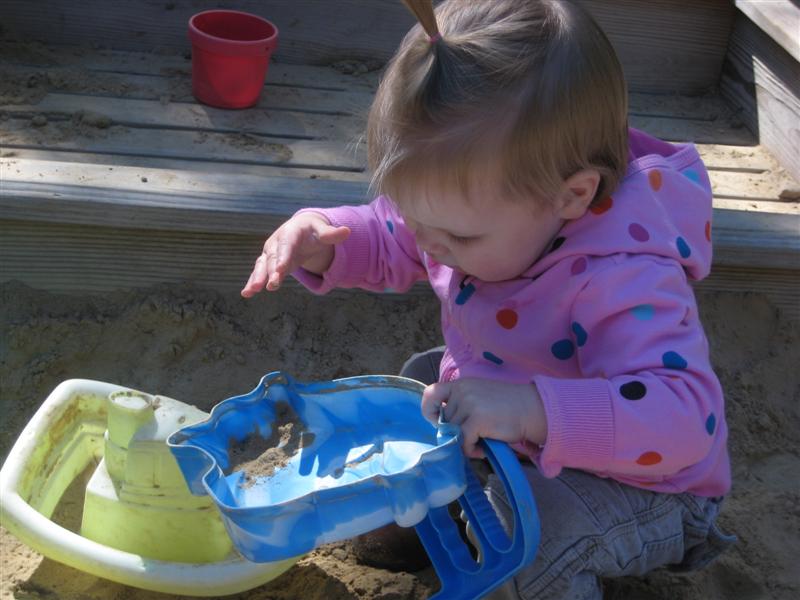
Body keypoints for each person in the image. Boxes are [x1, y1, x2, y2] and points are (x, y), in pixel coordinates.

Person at [241, 0, 734, 597]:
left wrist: (533, 411)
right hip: (513, 434)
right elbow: (393, 233)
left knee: (529, 544)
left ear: (571, 196)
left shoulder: (623, 276)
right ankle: (427, 520)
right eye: (417, 215)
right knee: (418, 381)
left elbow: (683, 419)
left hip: (638, 482)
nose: (427, 244)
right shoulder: (474, 209)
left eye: (458, 236)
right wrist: (324, 238)